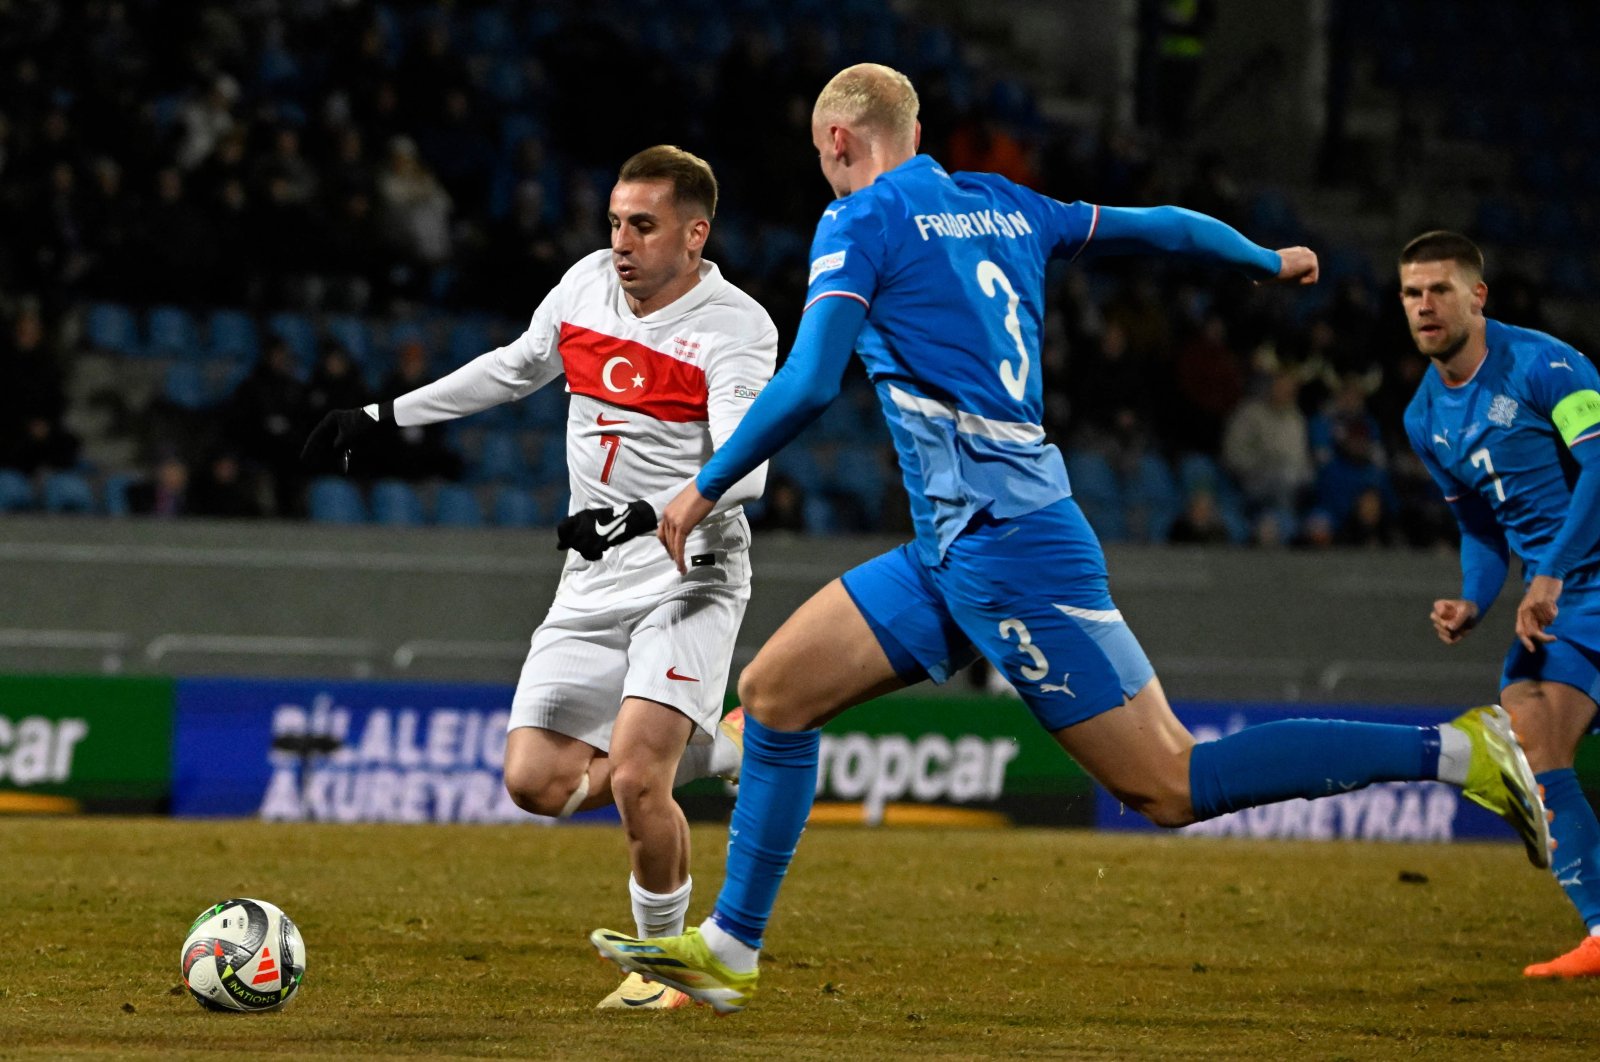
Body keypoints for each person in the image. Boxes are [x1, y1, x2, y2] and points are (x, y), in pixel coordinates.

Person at [588, 64, 1551, 1012]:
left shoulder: (859, 221)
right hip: (953, 546)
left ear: (838, 141)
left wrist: (701, 487)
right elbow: (1159, 227)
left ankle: (1457, 753)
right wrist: (1261, 258)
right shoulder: (1008, 206)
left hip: (1007, 549)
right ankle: (729, 949)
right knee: (777, 695)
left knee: (1170, 782)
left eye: (820, 154)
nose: (824, 171)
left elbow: (806, 382)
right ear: (915, 134)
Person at [302, 145, 777, 1009]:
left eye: (642, 225)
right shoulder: (588, 283)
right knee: (536, 784)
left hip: (690, 570)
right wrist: (383, 414)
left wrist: (645, 512)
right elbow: (519, 365)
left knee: (636, 777)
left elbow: (749, 470)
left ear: (695, 233)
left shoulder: (736, 326)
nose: (621, 241)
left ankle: (665, 963)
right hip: (591, 578)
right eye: (614, 222)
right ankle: (725, 748)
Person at [1398, 230, 1600, 978]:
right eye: (1412, 293)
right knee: (1532, 729)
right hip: (1564, 599)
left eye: (1439, 290)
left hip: (1572, 582)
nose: (1425, 306)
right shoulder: (1425, 418)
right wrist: (1475, 599)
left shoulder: (1547, 365)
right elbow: (1480, 527)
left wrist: (1547, 573)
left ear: (1477, 296)